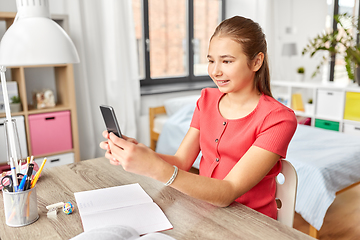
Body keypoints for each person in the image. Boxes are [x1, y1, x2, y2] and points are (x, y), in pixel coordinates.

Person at [100, 15, 297, 220]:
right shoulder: (206, 99)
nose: (215, 71)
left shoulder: (279, 120)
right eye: (211, 60)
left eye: (227, 61)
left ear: (256, 61)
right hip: (204, 213)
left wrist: (155, 169)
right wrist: (141, 154)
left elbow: (228, 191)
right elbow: (181, 161)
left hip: (251, 224)